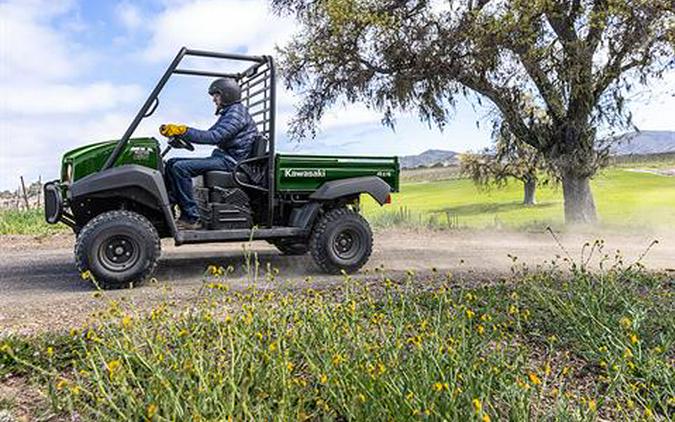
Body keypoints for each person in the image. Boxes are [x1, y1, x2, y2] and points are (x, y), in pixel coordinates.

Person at [160, 78, 258, 229]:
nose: (214, 99)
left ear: (227, 95)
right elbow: (211, 133)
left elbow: (214, 137)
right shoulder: (230, 113)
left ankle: (192, 218)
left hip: (232, 162)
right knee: (172, 163)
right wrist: (183, 135)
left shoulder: (236, 115)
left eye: (216, 95)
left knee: (180, 168)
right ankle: (170, 207)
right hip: (224, 157)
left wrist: (184, 130)